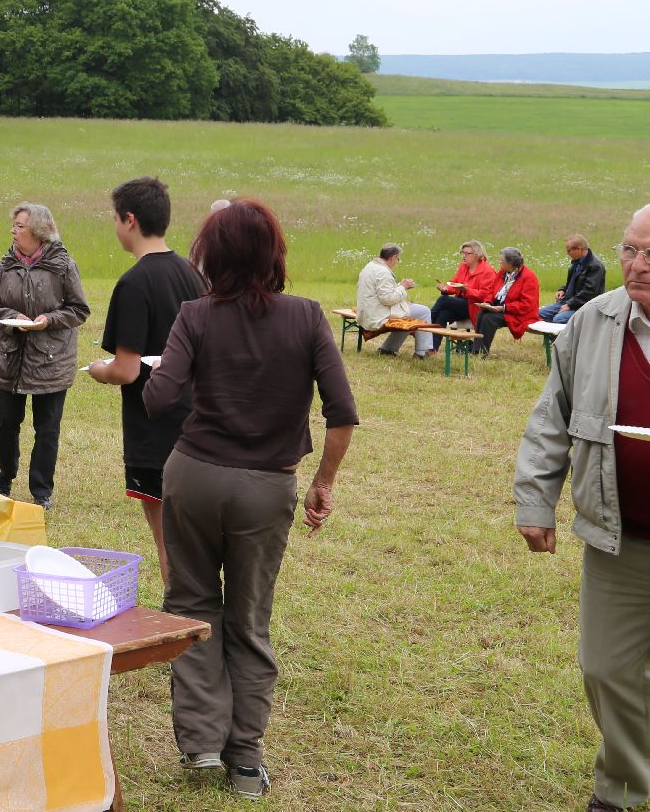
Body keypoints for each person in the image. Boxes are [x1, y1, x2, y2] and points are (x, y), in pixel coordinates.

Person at [143, 199, 358, 801]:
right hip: (267, 487)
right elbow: (342, 416)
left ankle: (202, 744)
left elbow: (160, 398)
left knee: (191, 603)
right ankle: (245, 762)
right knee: (249, 618)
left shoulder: (195, 314)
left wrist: (140, 372)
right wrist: (323, 483)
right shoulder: (309, 318)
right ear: (275, 254)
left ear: (212, 256)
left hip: (194, 475)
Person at [514, 204, 650, 812]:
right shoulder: (595, 322)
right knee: (605, 670)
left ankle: (618, 789)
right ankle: (627, 784)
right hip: (620, 539)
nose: (637, 265)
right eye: (629, 249)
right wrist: (535, 501)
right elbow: (553, 419)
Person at [87, 176, 204, 586]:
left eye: (114, 218)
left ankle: (183, 620)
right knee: (195, 538)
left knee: (168, 540)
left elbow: (126, 370)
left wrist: (97, 371)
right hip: (197, 420)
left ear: (130, 220)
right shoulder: (192, 275)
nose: (115, 226)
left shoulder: (134, 283)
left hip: (156, 428)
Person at [0, 202, 90, 509]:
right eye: (13, 225)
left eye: (19, 226)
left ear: (39, 232)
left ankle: (41, 490)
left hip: (51, 361)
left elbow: (79, 310)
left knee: (47, 428)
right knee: (5, 422)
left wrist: (48, 320)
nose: (13, 231)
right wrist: (12, 315)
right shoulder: (5, 264)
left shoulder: (64, 264)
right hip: (11, 357)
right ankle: (5, 476)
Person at [354, 243, 437, 358]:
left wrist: (399, 287)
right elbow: (387, 299)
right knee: (424, 311)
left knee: (408, 313)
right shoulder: (383, 272)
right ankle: (422, 353)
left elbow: (381, 292)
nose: (397, 262)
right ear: (393, 257)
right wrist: (403, 287)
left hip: (367, 311)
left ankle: (388, 349)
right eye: (398, 259)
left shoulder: (370, 266)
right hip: (377, 315)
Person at [471, 247, 541, 355]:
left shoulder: (529, 277)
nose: (500, 262)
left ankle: (482, 352)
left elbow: (527, 304)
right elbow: (492, 290)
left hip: (518, 313)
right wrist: (488, 302)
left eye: (502, 260)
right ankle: (476, 350)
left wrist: (505, 308)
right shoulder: (503, 272)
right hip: (501, 307)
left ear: (511, 263)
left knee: (489, 318)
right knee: (482, 313)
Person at [429, 239, 501, 328]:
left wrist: (467, 290)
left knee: (443, 299)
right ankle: (432, 342)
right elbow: (454, 283)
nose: (463, 256)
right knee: (443, 315)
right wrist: (446, 289)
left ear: (478, 255)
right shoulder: (463, 266)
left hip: (475, 306)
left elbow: (484, 295)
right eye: (462, 253)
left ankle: (425, 323)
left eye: (467, 253)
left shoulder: (488, 271)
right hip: (461, 304)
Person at [540, 235, 607, 325]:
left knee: (559, 319)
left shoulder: (595, 266)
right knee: (539, 314)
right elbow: (572, 283)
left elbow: (589, 292)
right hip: (569, 301)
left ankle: (570, 337)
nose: (567, 253)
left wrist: (570, 305)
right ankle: (557, 336)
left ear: (579, 249)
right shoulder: (576, 262)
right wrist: (562, 290)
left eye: (569, 250)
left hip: (585, 306)